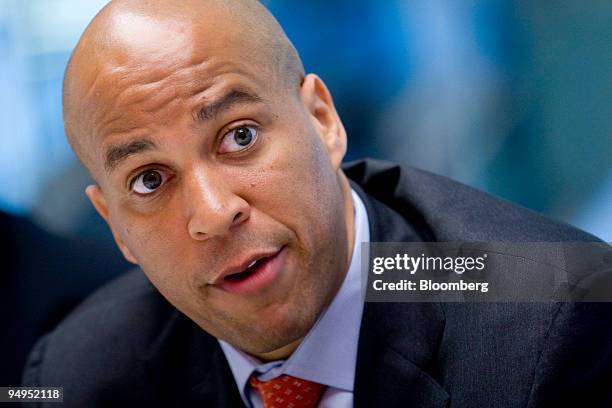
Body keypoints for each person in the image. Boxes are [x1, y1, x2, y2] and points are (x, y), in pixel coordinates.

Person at [22, 0, 612, 407]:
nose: (211, 213)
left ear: (323, 121)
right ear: (114, 226)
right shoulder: (79, 374)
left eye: (240, 136)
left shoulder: (555, 319)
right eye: (150, 180)